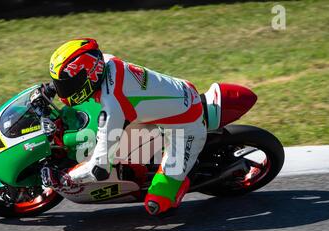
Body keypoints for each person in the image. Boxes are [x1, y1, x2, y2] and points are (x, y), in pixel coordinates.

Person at [40, 38, 207, 216]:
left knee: (156, 205)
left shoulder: (113, 107)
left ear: (90, 76)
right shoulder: (107, 61)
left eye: (67, 85)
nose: (63, 90)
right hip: (177, 91)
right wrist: (52, 88)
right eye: (59, 84)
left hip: (185, 127)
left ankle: (184, 175)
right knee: (118, 142)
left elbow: (99, 169)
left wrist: (64, 178)